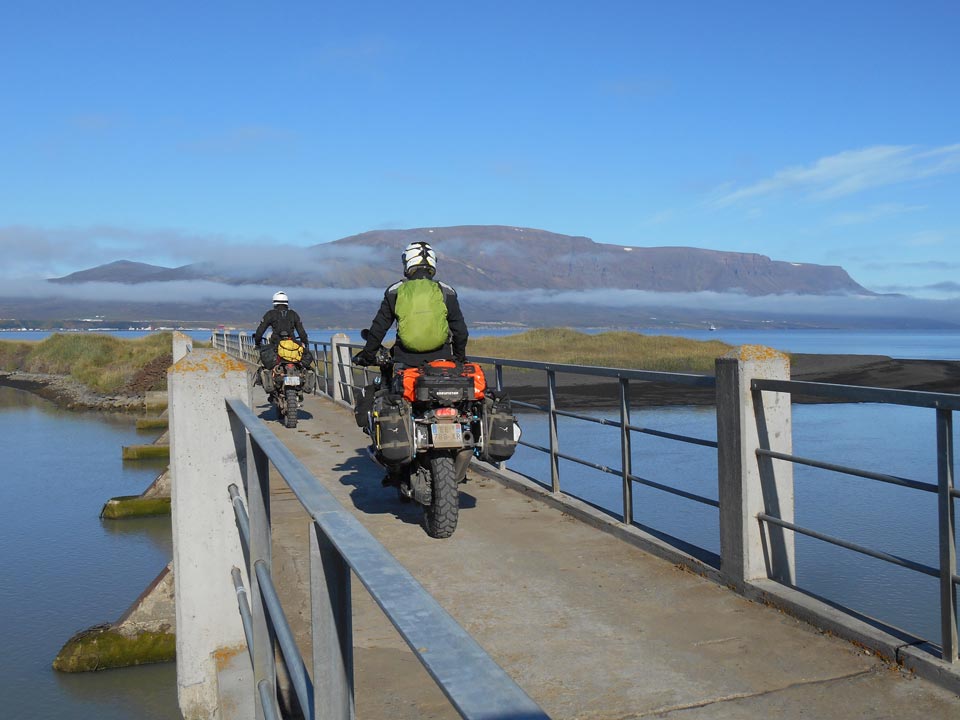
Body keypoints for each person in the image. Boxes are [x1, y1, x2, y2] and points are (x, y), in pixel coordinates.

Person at [353, 241, 468, 369]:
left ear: (407, 262)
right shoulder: (446, 291)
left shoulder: (395, 291)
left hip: (405, 362)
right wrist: (459, 358)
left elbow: (379, 328)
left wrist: (368, 355)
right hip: (441, 362)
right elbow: (461, 331)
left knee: (396, 387)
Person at [253, 291, 311, 366]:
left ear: (274, 302)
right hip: (292, 346)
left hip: (276, 346)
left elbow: (260, 331)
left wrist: (257, 343)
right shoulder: (293, 314)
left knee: (267, 365)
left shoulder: (270, 314)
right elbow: (302, 333)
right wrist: (305, 343)